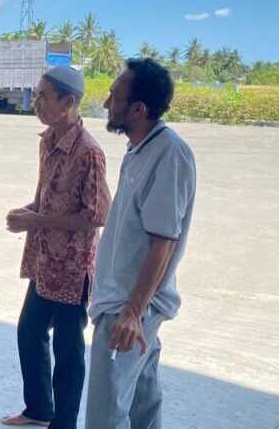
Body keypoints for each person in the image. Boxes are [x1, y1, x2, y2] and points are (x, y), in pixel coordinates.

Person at [85, 58, 197, 429]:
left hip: (129, 308)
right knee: (143, 405)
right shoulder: (140, 148)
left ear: (138, 109)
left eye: (114, 97)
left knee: (105, 414)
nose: (106, 103)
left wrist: (133, 312)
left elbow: (164, 241)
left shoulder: (169, 153)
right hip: (126, 302)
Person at [1, 67, 111, 428]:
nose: (36, 103)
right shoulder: (47, 141)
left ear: (68, 102)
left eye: (43, 96)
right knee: (29, 332)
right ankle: (38, 409)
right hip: (45, 261)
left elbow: (96, 216)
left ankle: (63, 423)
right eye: (36, 95)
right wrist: (29, 213)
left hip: (73, 268)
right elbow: (48, 199)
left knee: (68, 349)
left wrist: (37, 220)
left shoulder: (89, 153)